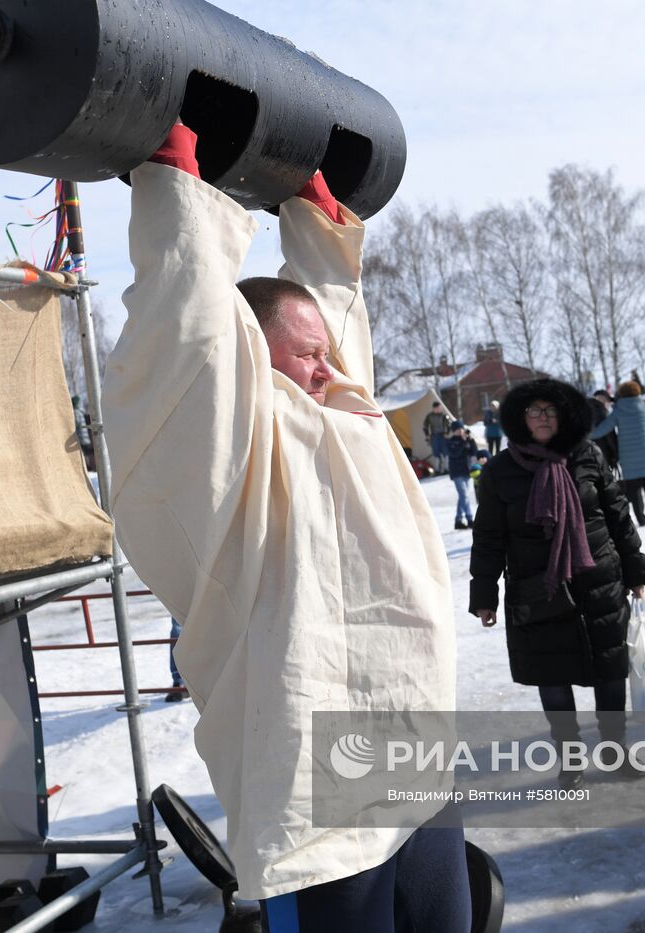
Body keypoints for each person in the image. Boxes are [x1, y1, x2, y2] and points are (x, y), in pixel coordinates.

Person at [102, 124, 467, 928]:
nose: (328, 370)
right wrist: (178, 194)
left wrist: (317, 225)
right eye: (305, 357)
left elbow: (334, 336)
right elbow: (187, 336)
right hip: (318, 802)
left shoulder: (349, 415)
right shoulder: (236, 449)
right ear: (250, 360)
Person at [470, 378, 645, 790]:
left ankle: (615, 748)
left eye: (550, 410)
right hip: (538, 591)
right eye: (533, 410)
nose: (542, 417)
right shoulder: (500, 470)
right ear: (519, 418)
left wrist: (636, 571)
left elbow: (618, 515)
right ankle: (570, 759)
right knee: (552, 679)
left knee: (610, 672)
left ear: (564, 415)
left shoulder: (587, 455)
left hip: (600, 583)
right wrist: (484, 595)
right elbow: (488, 538)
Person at [590, 380, 645, 524]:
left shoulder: (618, 411)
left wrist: (587, 435)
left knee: (634, 490)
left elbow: (602, 430)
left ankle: (641, 519)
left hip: (628, 458)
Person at [446, 420, 476, 529]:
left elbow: (473, 452)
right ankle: (469, 518)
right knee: (464, 495)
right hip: (456, 472)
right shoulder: (450, 442)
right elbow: (455, 453)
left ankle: (458, 520)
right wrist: (463, 442)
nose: (460, 431)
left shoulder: (466, 440)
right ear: (453, 431)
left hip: (466, 471)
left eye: (461, 429)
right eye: (458, 429)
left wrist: (471, 440)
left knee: (463, 496)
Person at [588, 390, 620, 473]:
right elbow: (610, 437)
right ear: (601, 399)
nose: (608, 404)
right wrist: (615, 455)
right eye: (608, 401)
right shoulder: (602, 412)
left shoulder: (582, 411)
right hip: (602, 455)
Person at [424, 400, 451, 473]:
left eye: (439, 408)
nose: (439, 409)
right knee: (436, 453)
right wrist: (427, 435)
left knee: (445, 452)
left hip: (443, 436)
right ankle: (437, 469)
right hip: (434, 436)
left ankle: (447, 468)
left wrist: (447, 433)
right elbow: (425, 426)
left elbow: (448, 425)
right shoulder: (430, 416)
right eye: (437, 408)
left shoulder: (444, 415)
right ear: (434, 408)